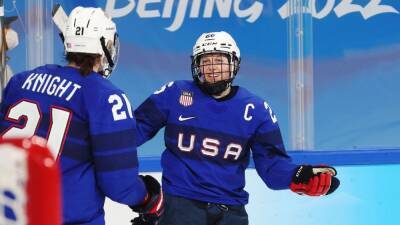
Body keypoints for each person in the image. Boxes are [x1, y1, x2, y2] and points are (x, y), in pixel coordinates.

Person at [134, 31, 340, 225]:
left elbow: (272, 167)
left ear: (234, 64)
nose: (212, 68)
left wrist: (297, 175)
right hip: (180, 205)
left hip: (231, 210)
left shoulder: (256, 110)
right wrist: (105, 146)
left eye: (219, 61)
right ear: (196, 66)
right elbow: (133, 131)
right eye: (205, 61)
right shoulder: (175, 93)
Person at [0, 7, 163, 225]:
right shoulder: (106, 97)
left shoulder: (21, 81)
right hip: (68, 218)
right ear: (105, 44)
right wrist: (147, 197)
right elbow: (118, 184)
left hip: (12, 213)